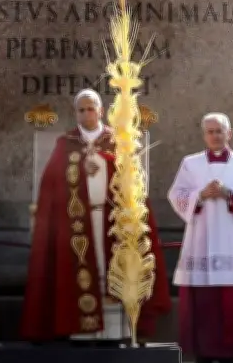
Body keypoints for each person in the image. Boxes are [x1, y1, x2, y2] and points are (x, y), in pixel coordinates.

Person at [20, 89, 172, 343]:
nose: (87, 113)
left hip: (112, 222)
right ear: (75, 113)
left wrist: (103, 164)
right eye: (81, 109)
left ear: (101, 111)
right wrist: (79, 169)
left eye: (91, 108)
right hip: (77, 225)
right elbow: (52, 183)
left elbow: (132, 181)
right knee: (81, 271)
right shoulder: (66, 143)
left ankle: (117, 331)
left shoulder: (118, 141)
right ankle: (81, 330)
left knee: (113, 272)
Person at [167, 113, 233, 363]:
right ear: (204, 135)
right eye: (210, 131)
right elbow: (176, 194)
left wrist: (229, 194)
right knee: (204, 301)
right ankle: (203, 352)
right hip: (201, 236)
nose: (214, 135)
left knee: (231, 300)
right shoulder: (191, 163)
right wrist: (199, 196)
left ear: (229, 133)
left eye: (219, 131)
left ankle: (229, 354)